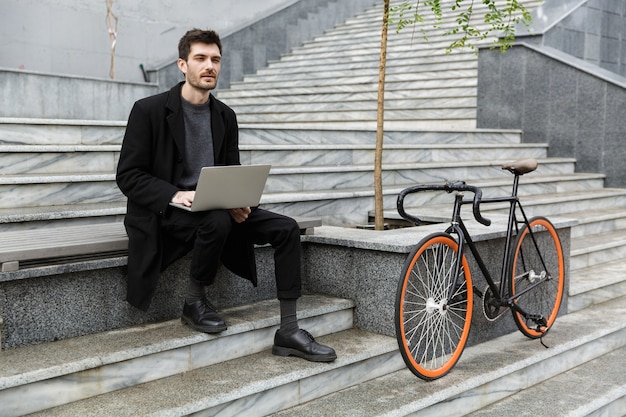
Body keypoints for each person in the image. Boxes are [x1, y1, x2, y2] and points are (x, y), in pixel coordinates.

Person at [116, 28, 336, 363]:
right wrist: (176, 194)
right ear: (182, 64)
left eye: (215, 59)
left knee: (287, 228)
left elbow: (230, 172)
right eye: (200, 58)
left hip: (215, 207)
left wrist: (238, 200)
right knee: (216, 219)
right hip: (168, 211)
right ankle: (194, 301)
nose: (210, 66)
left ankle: (289, 330)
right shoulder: (148, 110)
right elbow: (128, 176)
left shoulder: (225, 116)